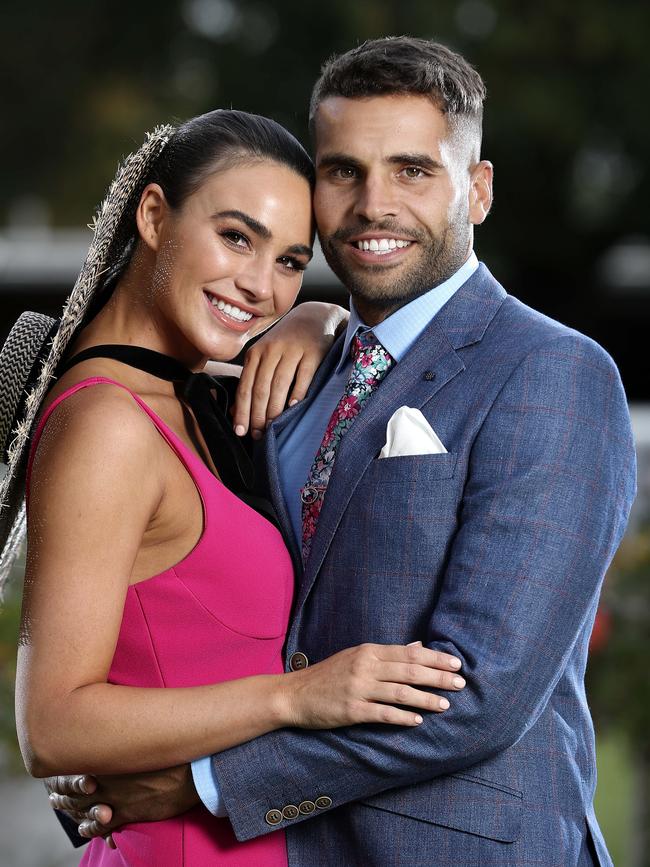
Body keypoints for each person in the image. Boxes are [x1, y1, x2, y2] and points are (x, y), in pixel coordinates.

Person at [47, 37, 635, 866]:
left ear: (478, 188)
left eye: (413, 171)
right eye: (342, 171)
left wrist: (206, 781)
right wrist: (314, 318)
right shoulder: (294, 369)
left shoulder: (552, 373)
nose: (373, 204)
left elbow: (478, 698)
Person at [0, 108, 468, 866]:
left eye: (289, 261)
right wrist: (298, 695)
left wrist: (323, 320)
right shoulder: (108, 426)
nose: (259, 286)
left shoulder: (185, 397)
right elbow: (52, 725)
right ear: (153, 215)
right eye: (236, 237)